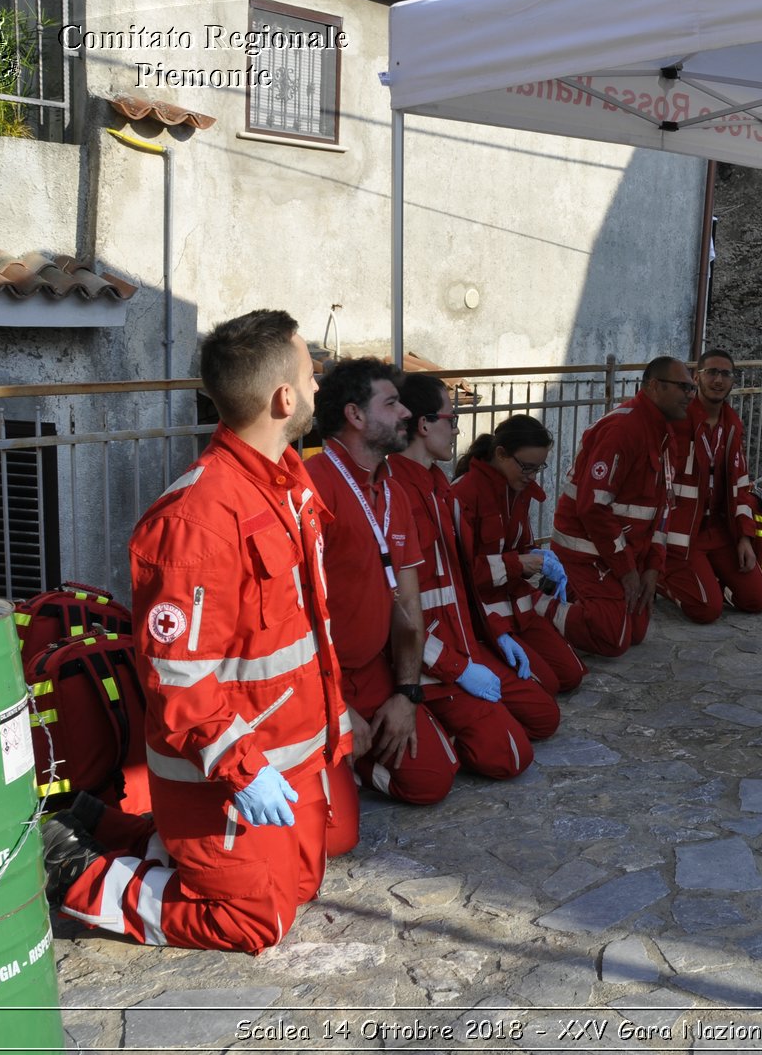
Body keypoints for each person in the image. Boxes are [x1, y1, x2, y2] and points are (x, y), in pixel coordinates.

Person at [42, 309, 353, 951]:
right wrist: (242, 770)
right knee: (256, 921)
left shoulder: (286, 485)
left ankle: (117, 830)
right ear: (284, 397)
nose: (321, 388)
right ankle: (74, 870)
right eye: (311, 375)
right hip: (224, 773)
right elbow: (177, 680)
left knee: (302, 885)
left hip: (287, 756)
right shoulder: (198, 518)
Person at [306, 358, 461, 808]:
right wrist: (333, 703)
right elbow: (291, 617)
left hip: (375, 671)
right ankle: (339, 759)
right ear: (356, 416)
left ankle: (354, 760)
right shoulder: (313, 486)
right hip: (319, 679)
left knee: (434, 777)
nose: (407, 414)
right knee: (334, 835)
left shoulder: (392, 490)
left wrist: (407, 694)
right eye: (392, 403)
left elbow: (409, 604)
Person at [388, 376, 561, 778]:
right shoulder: (398, 491)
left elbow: (462, 583)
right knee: (508, 757)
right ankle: (435, 733)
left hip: (466, 642)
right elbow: (393, 608)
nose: (457, 430)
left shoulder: (438, 487)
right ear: (425, 424)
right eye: (451, 418)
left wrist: (494, 631)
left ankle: (456, 727)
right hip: (431, 659)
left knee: (543, 716)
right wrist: (456, 668)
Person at [549, 356, 693, 657]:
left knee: (636, 632)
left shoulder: (665, 434)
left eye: (691, 388)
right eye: (683, 387)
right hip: (584, 552)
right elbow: (593, 508)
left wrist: (652, 568)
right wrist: (628, 570)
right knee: (613, 638)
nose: (690, 396)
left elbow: (662, 511)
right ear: (654, 386)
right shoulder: (623, 429)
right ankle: (539, 607)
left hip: (619, 553)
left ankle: (585, 599)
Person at [453, 414, 587, 693]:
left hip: (517, 606)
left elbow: (519, 546)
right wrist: (517, 563)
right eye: (527, 467)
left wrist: (538, 558)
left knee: (571, 675)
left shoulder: (517, 489)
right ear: (501, 454)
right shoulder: (465, 494)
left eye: (539, 468)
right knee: (547, 685)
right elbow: (460, 574)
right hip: (484, 615)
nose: (532, 477)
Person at [658, 349, 762, 623]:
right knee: (707, 611)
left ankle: (707, 575)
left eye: (725, 374)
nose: (718, 380)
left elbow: (741, 486)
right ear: (697, 378)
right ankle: (663, 577)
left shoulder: (732, 424)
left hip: (719, 530)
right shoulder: (677, 419)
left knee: (757, 600)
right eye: (711, 373)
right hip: (684, 533)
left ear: (733, 381)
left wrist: (745, 538)